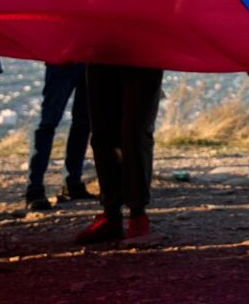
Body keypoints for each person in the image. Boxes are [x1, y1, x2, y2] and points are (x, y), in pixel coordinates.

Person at [75, 64, 164, 244]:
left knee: (135, 133)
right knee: (102, 133)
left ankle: (137, 215)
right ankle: (111, 214)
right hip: (101, 54)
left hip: (144, 56)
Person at [25, 62, 95, 210]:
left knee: (83, 123)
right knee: (48, 122)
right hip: (64, 60)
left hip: (90, 61)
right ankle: (35, 188)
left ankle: (72, 183)